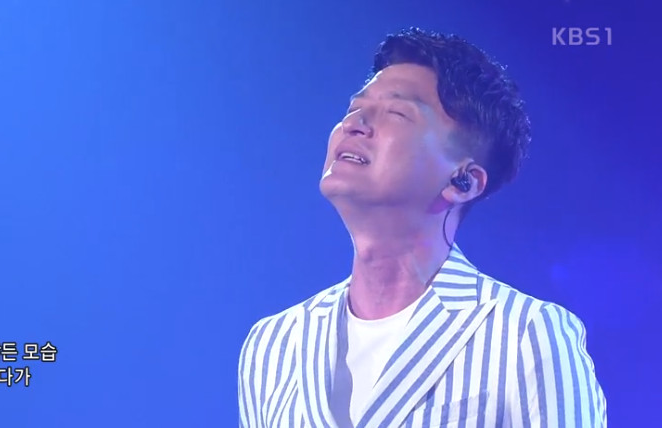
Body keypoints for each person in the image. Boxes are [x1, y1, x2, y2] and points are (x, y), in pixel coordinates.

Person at [237, 27, 606, 428]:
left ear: (463, 182)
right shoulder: (274, 343)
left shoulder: (524, 334)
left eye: (396, 113)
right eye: (353, 109)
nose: (354, 124)